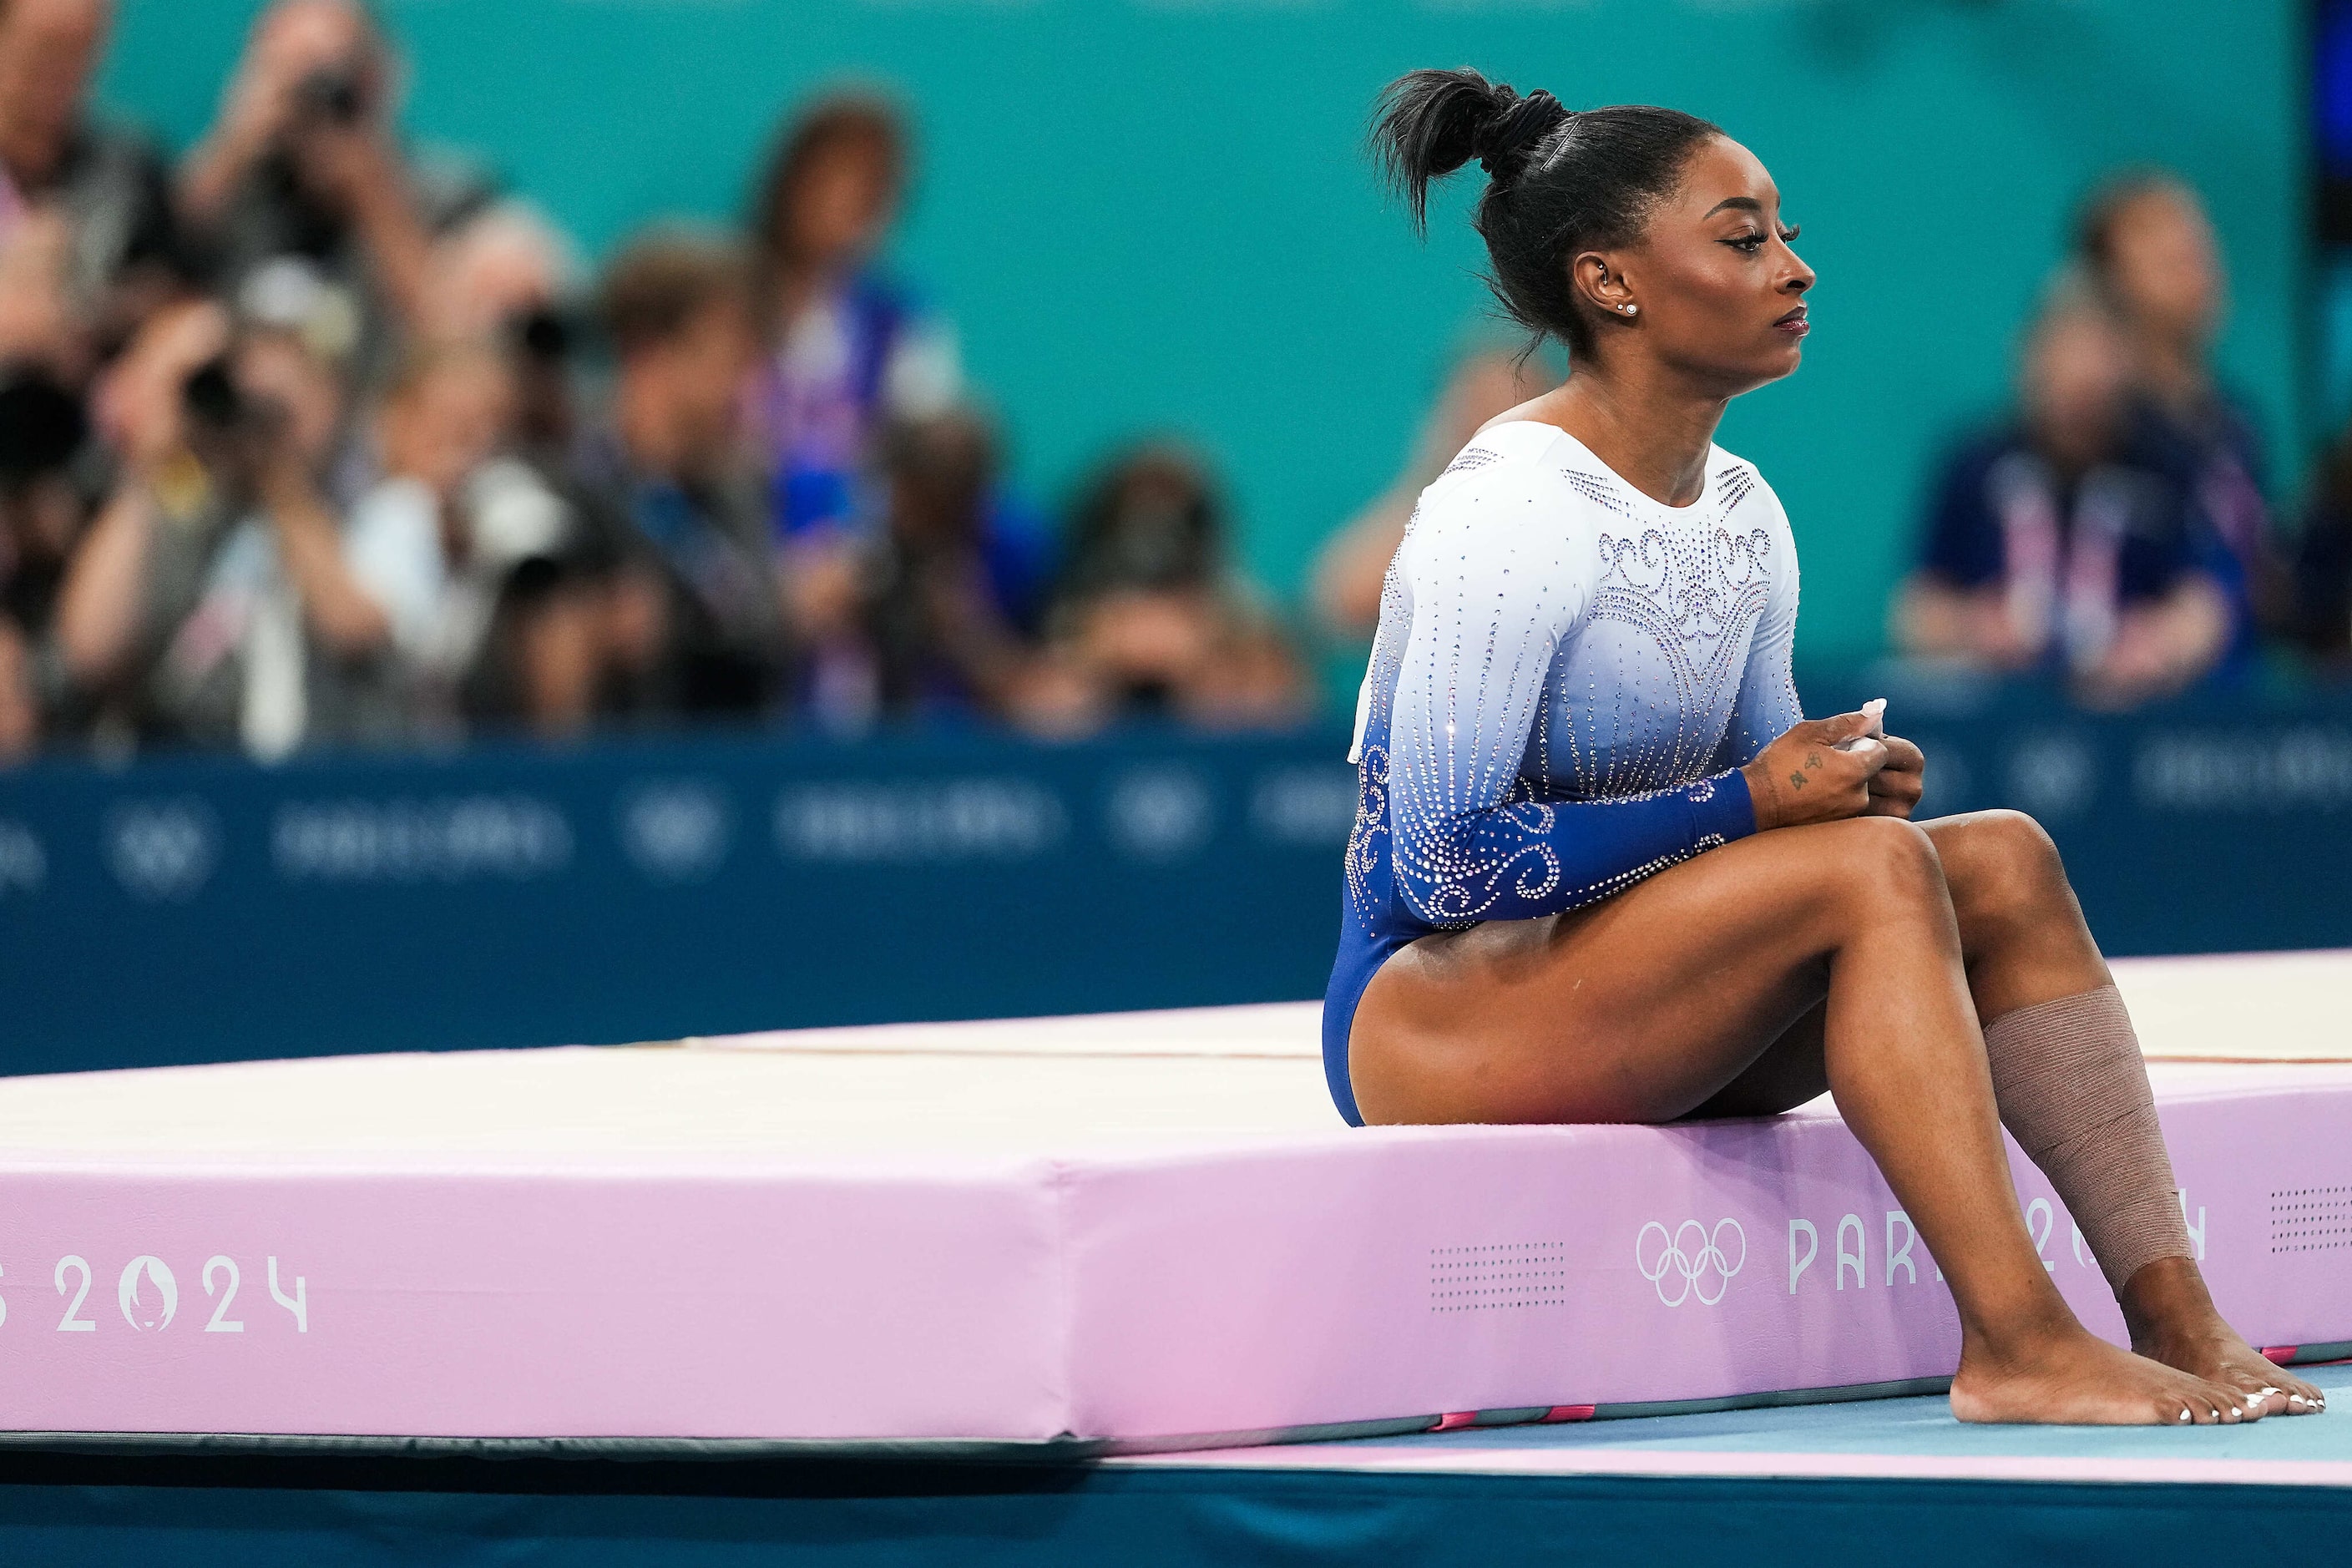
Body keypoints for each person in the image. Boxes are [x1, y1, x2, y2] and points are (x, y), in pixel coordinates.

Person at [1331, 67, 2319, 1428]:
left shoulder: (1743, 511)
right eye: (1742, 239)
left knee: (1999, 863)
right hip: (1429, 1016)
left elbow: (1754, 831)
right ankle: (2015, 1338)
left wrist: (1821, 792)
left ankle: (2179, 1316)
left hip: (1626, 992)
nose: (1793, 267)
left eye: (1783, 232)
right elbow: (1437, 867)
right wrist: (1752, 801)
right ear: (1612, 284)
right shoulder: (1505, 515)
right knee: (1874, 877)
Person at [1891, 288, 2234, 706]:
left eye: (2096, 378)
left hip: (2131, 710)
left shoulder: (2167, 470)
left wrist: (2160, 641)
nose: (2081, 403)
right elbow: (1915, 611)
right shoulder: (1975, 467)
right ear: (2031, 366)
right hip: (1998, 708)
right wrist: (1971, 626)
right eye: (2066, 375)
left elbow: (2205, 610)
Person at [569, 230, 787, 726]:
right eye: (730, 351)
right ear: (650, 353)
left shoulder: (742, 491)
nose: (747, 378)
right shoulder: (572, 486)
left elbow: (757, 633)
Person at [2076, 174, 2278, 637]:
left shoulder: (2237, 426)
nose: (2200, 272)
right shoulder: (2092, 434)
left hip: (2239, 702)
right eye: (2173, 260)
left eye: (2202, 252)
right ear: (2112, 281)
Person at [1045, 442, 1306, 730]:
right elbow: (1037, 715)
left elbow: (1292, 715)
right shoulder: (1067, 614)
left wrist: (1207, 668)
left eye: (1175, 509)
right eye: (1137, 507)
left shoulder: (1245, 615)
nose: (1155, 528)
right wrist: (1105, 664)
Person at [1313, 342, 1555, 640]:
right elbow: (1345, 597)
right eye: (1478, 408)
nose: (1495, 429)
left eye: (1518, 408)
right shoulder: (1403, 533)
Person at [0, 0, 182, 367]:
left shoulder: (129, 168)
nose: (60, 74)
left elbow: (176, 293)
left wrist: (101, 314)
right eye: (46, 49)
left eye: (80, 50)